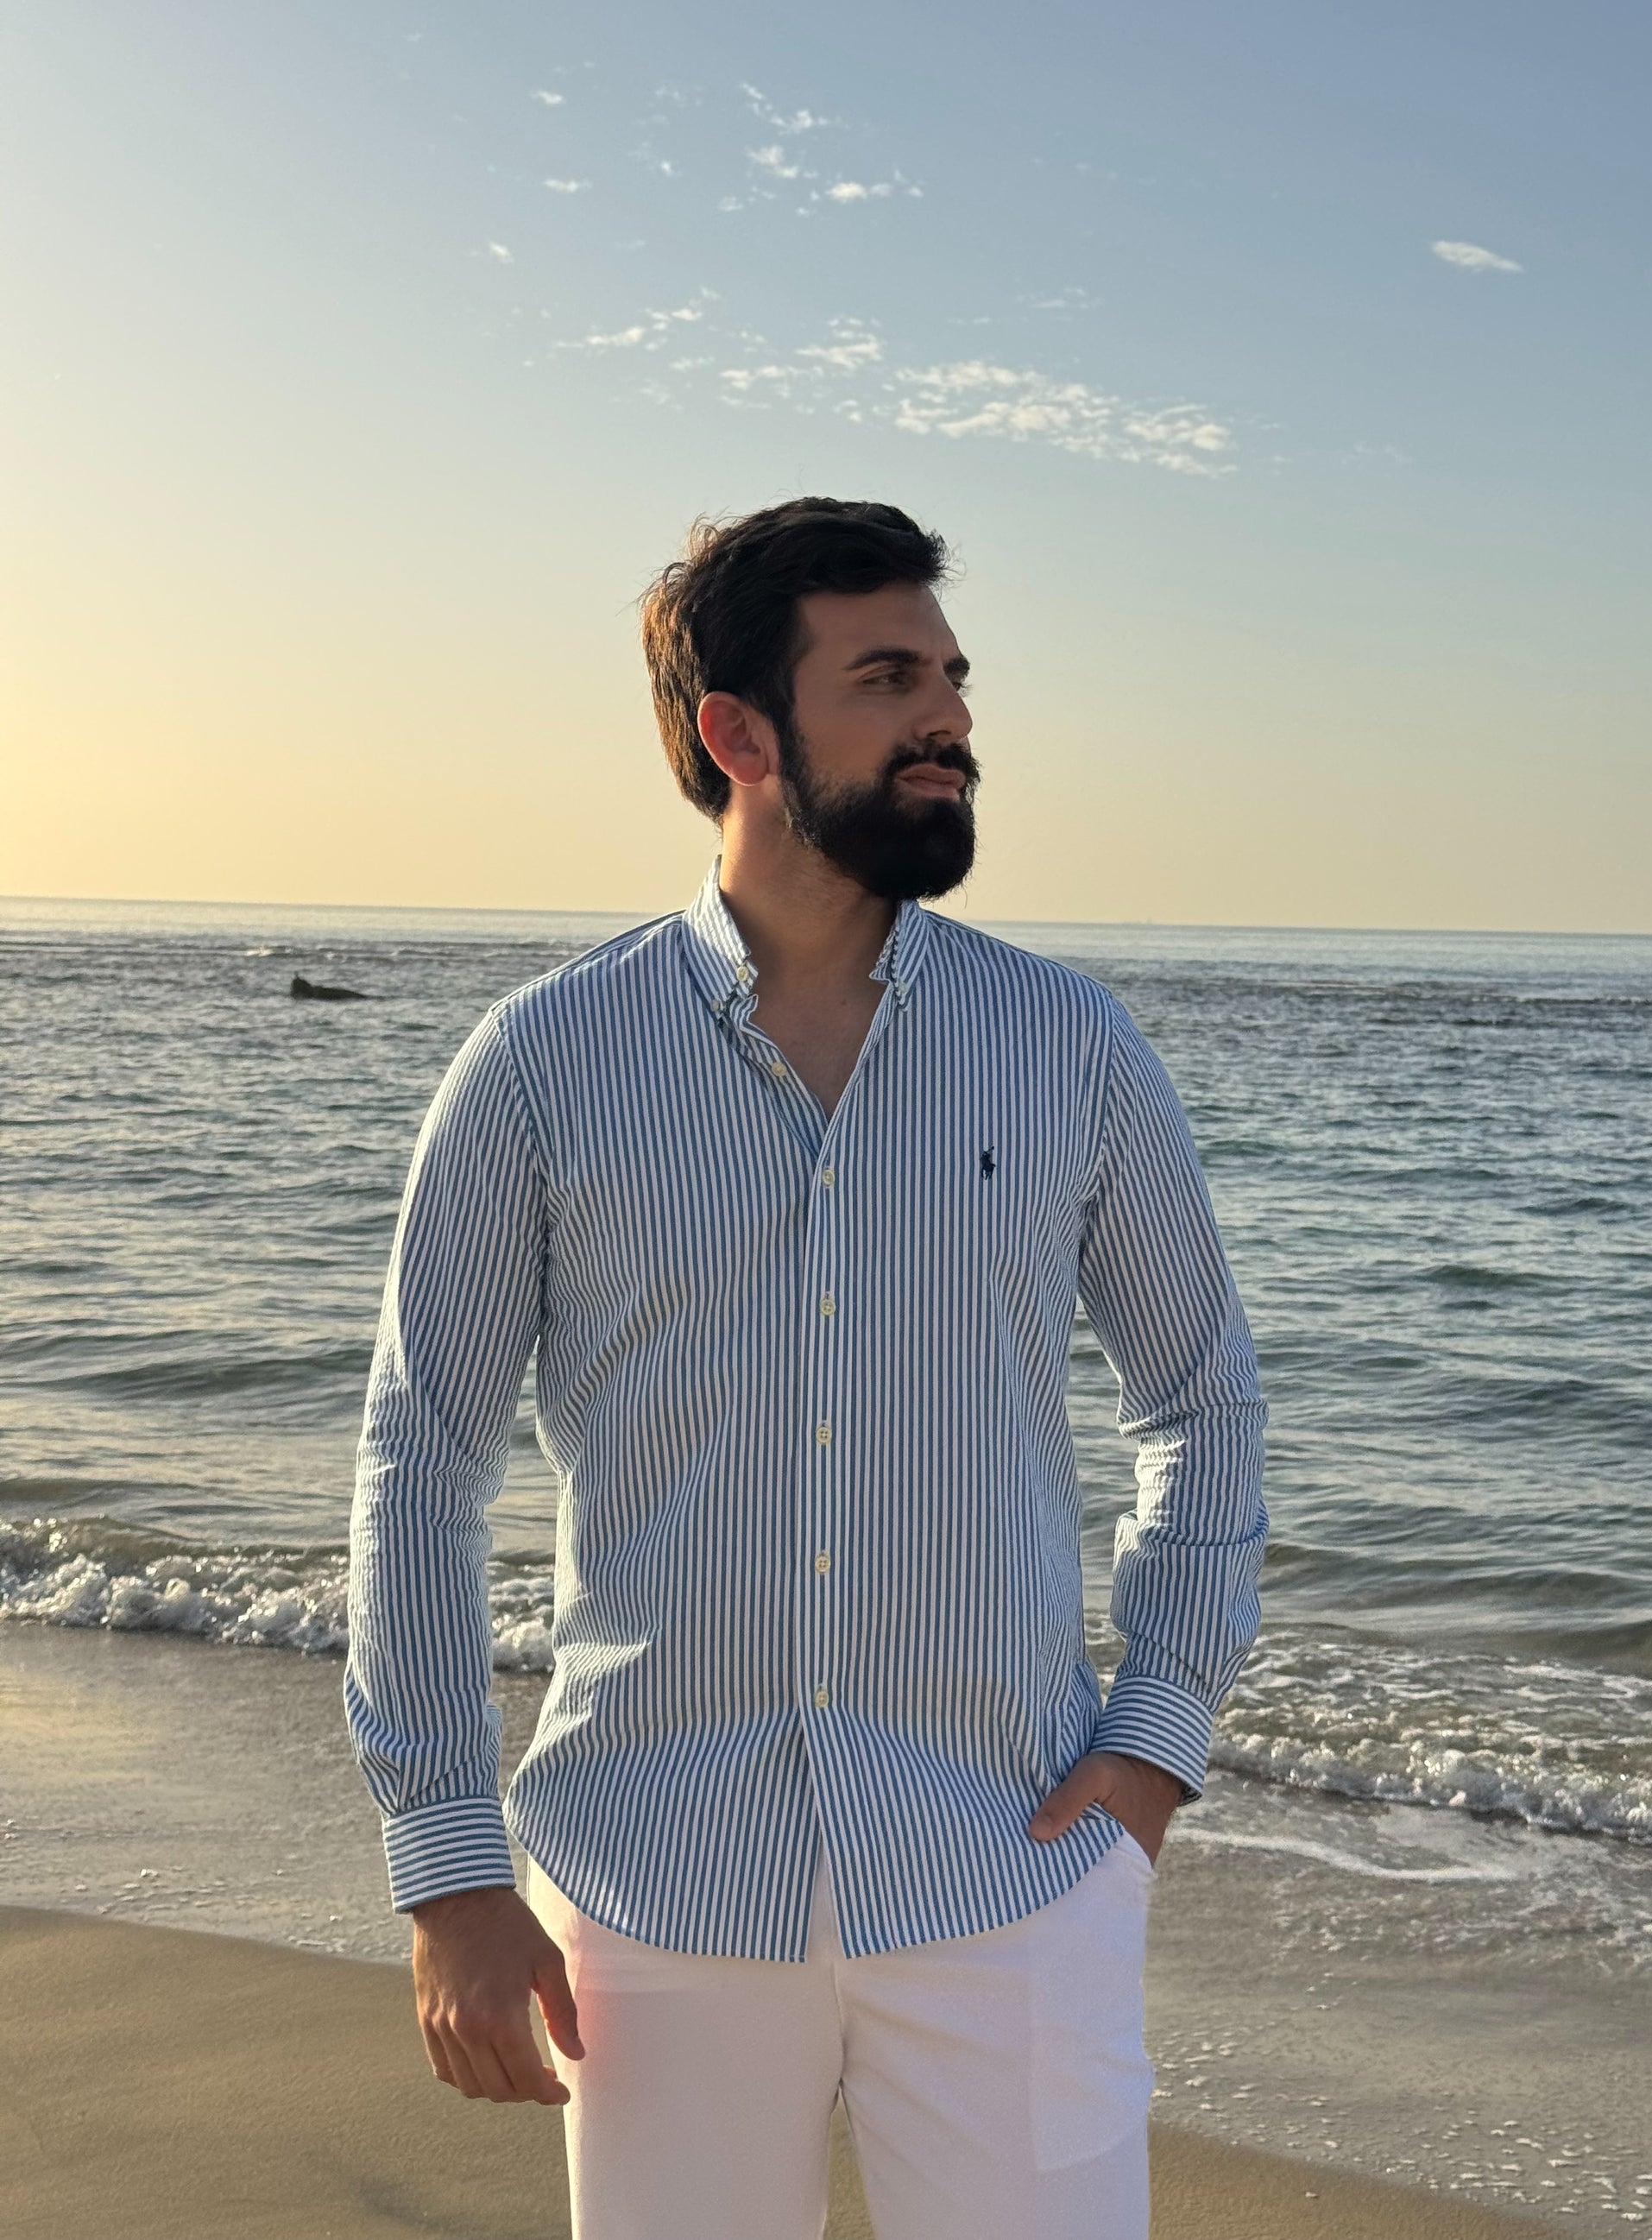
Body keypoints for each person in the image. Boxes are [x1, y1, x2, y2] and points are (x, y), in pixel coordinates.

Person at [345, 497, 1267, 2240]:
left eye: (953, 677)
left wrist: (1152, 1741)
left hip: (1010, 1872)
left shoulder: (1067, 1047)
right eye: (888, 678)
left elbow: (1201, 1400)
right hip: (655, 1895)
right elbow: (423, 1456)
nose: (952, 718)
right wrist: (447, 1863)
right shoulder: (541, 1065)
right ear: (739, 733)